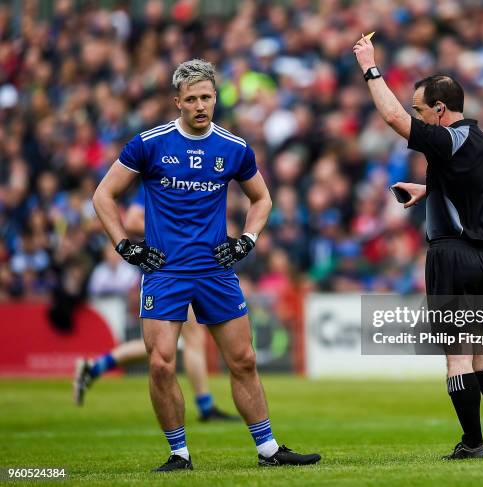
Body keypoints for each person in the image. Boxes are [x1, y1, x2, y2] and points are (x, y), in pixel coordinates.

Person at [92, 59, 321, 471]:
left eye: (207, 97)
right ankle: (179, 454)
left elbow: (263, 199)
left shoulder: (233, 148)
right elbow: (102, 196)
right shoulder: (149, 143)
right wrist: (126, 247)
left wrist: (246, 241)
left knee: (244, 360)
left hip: (216, 270)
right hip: (164, 270)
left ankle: (268, 450)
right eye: (192, 98)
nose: (201, 105)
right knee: (162, 362)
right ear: (177, 101)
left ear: (216, 99)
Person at [353, 36, 483, 459]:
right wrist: (429, 189)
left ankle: (472, 443)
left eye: (422, 110)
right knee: (481, 348)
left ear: (440, 110)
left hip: (452, 256)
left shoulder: (448, 139)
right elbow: (469, 190)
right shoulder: (482, 142)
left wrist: (370, 67)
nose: (418, 116)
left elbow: (392, 118)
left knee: (456, 355)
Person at [73, 189, 240, 422]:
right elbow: (132, 219)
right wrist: (177, 231)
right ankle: (205, 407)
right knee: (185, 341)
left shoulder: (182, 179)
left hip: (182, 269)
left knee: (168, 346)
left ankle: (95, 368)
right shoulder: (160, 180)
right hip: (169, 272)